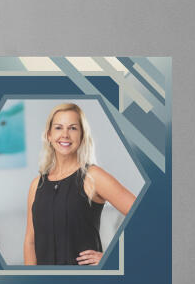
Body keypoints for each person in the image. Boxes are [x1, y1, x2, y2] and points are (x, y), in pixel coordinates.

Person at [24, 102, 137, 266]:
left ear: (82, 136)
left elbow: (146, 214)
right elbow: (30, 242)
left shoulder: (93, 176)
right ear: (49, 135)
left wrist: (112, 257)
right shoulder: (37, 185)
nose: (65, 134)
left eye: (73, 128)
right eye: (58, 128)